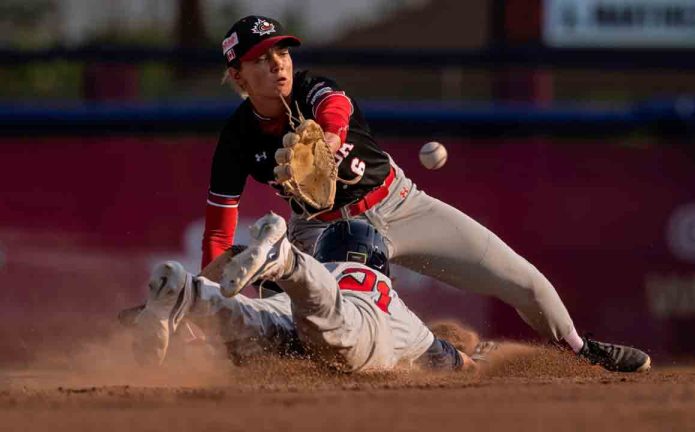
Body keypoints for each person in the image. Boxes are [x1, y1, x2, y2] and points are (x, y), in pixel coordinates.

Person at [203, 15, 650, 373]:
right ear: (238, 75)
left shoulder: (311, 88)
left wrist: (330, 143)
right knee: (325, 337)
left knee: (525, 282)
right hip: (323, 234)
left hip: (398, 204)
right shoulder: (237, 140)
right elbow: (218, 233)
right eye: (260, 58)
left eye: (281, 51)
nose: (277, 63)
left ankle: (580, 350)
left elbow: (335, 108)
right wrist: (207, 299)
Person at [134, 213, 473, 372]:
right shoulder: (393, 304)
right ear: (379, 262)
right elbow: (448, 360)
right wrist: (473, 363)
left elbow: (235, 255)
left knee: (252, 319)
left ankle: (186, 291)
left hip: (290, 312)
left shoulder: (326, 268)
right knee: (329, 316)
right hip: (359, 326)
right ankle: (284, 257)